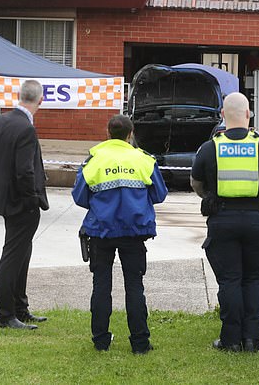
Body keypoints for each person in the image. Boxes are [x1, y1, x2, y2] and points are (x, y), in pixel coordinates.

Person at [191, 92, 259, 352]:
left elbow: (197, 183)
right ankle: (252, 339)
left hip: (222, 219)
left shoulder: (210, 148)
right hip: (256, 220)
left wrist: (213, 195)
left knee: (230, 280)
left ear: (222, 115)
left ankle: (230, 341)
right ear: (248, 114)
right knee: (253, 280)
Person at [72, 114, 168, 354]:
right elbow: (159, 194)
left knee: (101, 286)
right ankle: (140, 343)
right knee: (135, 286)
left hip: (101, 232)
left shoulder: (94, 160)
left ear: (107, 133)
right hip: (134, 233)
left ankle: (101, 341)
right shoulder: (144, 160)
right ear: (130, 134)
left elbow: (79, 197)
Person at [0, 80, 49, 330]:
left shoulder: (1, 120)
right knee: (13, 256)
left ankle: (20, 307)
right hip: (22, 202)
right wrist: (31, 200)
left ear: (19, 96)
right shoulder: (26, 129)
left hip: (6, 199)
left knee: (22, 252)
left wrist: (1, 174)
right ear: (40, 100)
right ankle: (5, 315)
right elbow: (24, 172)